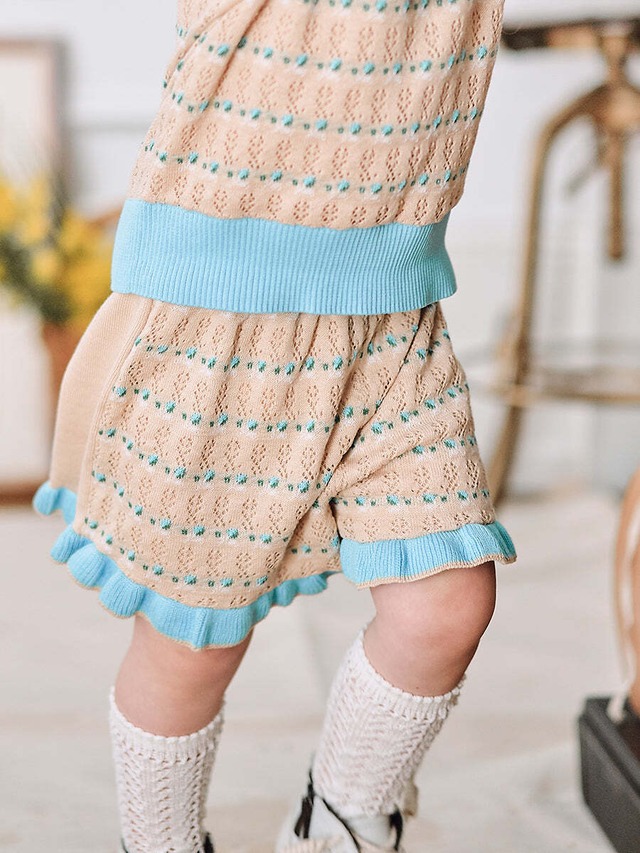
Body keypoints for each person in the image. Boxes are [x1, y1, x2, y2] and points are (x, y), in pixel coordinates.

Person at [34, 0, 516, 850]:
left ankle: (340, 822)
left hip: (392, 317)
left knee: (447, 601)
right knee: (191, 642)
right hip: (222, 314)